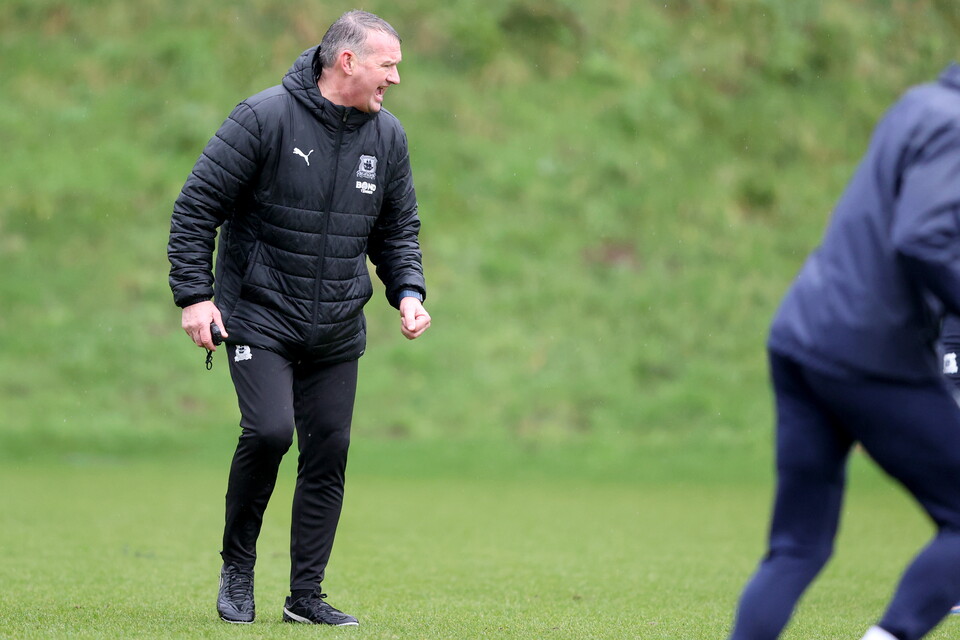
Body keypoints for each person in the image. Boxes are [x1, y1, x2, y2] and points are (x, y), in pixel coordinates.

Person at [167, 10, 430, 627]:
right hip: (259, 315)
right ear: (348, 62)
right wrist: (193, 296)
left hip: (337, 326)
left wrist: (408, 292)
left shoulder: (388, 137)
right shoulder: (262, 118)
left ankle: (305, 597)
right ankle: (237, 567)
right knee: (268, 433)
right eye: (387, 65)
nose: (395, 79)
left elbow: (398, 230)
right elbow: (195, 208)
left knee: (329, 449)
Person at [727, 65, 960, 640]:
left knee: (797, 546)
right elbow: (921, 236)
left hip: (800, 336)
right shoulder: (954, 125)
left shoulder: (917, 104)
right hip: (867, 351)